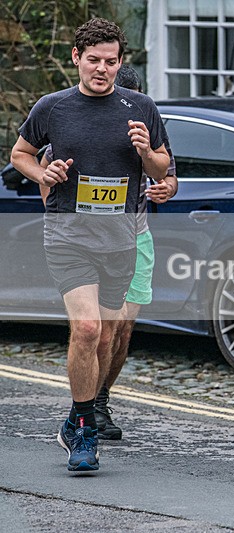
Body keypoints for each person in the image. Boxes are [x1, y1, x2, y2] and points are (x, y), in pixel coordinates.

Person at [10, 18, 170, 472]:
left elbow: (163, 171)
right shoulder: (52, 108)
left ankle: (76, 414)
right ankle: (84, 429)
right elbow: (19, 154)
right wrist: (44, 174)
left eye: (111, 61)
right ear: (77, 58)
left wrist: (146, 152)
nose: (103, 69)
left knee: (106, 339)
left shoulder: (140, 107)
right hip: (68, 236)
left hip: (120, 240)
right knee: (86, 329)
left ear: (121, 62)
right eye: (94, 60)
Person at [38, 64, 178, 441]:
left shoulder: (144, 125)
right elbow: (45, 185)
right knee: (91, 330)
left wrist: (165, 187)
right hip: (80, 242)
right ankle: (85, 413)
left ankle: (97, 399)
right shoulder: (68, 125)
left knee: (119, 332)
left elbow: (168, 175)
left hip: (134, 240)